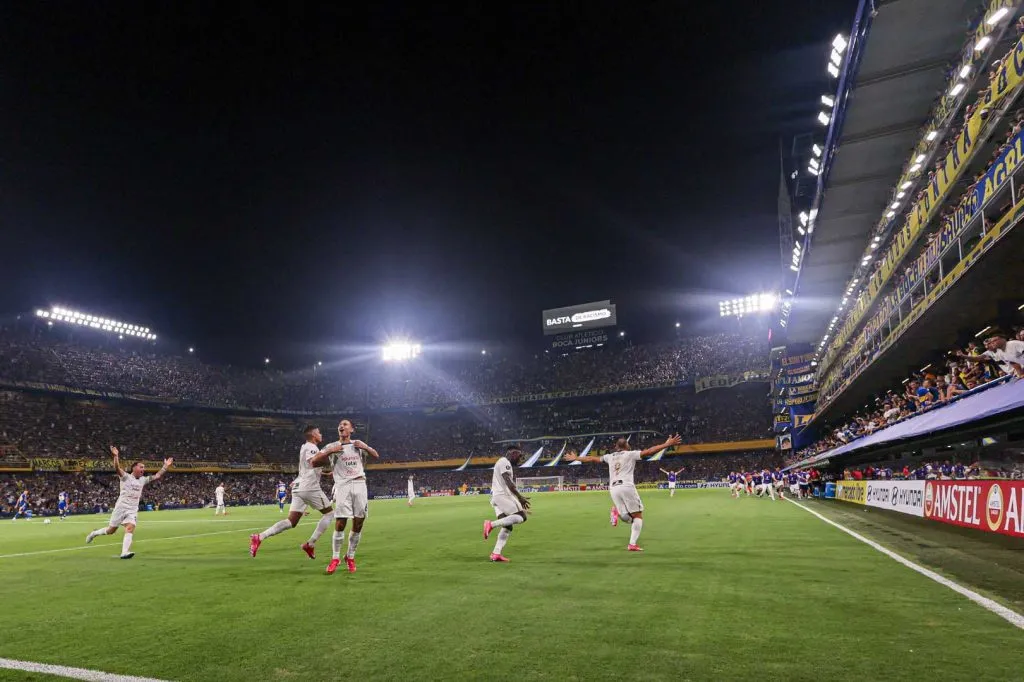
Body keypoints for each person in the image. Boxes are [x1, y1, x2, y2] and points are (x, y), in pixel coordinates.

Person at [566, 433, 681, 552]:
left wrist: (576, 458)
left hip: (613, 488)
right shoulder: (631, 454)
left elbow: (591, 459)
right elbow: (650, 451)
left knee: (628, 518)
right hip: (626, 486)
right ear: (626, 445)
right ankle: (632, 544)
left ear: (616, 447)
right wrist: (667, 444)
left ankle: (617, 513)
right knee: (638, 516)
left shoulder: (609, 456)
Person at [249, 425, 342, 559]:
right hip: (309, 487)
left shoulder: (305, 447)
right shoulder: (311, 447)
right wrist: (332, 453)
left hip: (299, 487)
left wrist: (326, 473)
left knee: (291, 521)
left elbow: (309, 468)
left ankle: (260, 537)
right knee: (329, 514)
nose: (321, 434)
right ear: (313, 435)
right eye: (319, 432)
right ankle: (310, 544)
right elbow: (314, 463)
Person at [310, 419, 380, 575]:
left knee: (359, 522)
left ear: (352, 429)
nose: (341, 426)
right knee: (341, 522)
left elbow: (376, 455)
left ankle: (350, 556)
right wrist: (330, 451)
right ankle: (335, 558)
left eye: (345, 424)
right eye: (340, 425)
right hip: (343, 486)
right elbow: (314, 462)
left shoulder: (357, 444)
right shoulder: (331, 446)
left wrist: (365, 447)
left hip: (359, 484)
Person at [85, 446, 173, 559]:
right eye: (141, 467)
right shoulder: (125, 477)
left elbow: (157, 475)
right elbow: (117, 468)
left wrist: (165, 466)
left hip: (132, 509)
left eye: (144, 467)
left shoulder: (143, 480)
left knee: (130, 528)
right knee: (111, 530)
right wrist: (116, 456)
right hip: (121, 507)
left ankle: (125, 552)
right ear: (134, 468)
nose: (143, 469)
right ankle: (94, 533)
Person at [481, 446, 530, 562]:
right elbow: (509, 482)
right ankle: (490, 524)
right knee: (522, 517)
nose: (520, 459)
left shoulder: (502, 462)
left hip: (497, 497)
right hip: (501, 496)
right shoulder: (504, 462)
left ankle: (496, 554)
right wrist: (520, 497)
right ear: (513, 453)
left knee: (507, 526)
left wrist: (518, 504)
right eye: (519, 456)